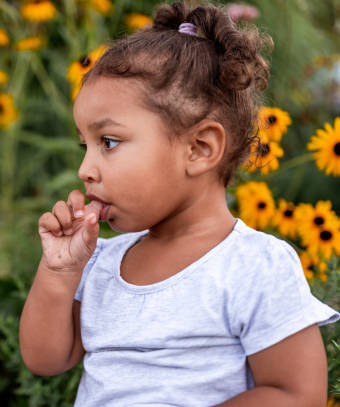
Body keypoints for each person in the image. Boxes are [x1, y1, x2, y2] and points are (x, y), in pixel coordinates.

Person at [18, 1, 340, 406]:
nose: (85, 169)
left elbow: (296, 394)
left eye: (109, 142)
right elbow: (45, 359)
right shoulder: (100, 263)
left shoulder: (254, 267)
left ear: (200, 149)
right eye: (85, 145)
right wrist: (58, 272)